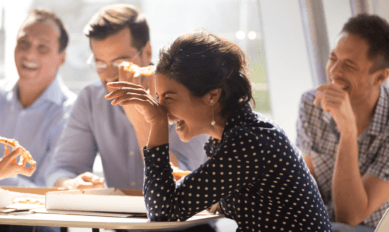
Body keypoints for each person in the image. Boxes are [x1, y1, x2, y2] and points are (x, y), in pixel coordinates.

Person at [106, 30, 333, 232]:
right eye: (158, 97)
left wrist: (155, 124)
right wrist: (187, 181)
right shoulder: (240, 135)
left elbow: (163, 211)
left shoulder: (248, 142)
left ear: (212, 96)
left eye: (169, 98)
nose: (160, 109)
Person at [46, 4, 207, 192]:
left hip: (184, 219)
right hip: (115, 218)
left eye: (120, 63)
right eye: (100, 64)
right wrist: (70, 183)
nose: (109, 76)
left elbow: (182, 184)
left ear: (147, 53)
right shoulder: (91, 99)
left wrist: (138, 116)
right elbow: (62, 168)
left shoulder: (186, 95)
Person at [296, 14, 389, 232]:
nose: (334, 72)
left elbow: (350, 215)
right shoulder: (312, 103)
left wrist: (348, 132)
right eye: (333, 58)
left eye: (349, 65)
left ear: (379, 78)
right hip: (319, 223)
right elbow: (308, 186)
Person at [0, 8, 76, 187]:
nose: (29, 54)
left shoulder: (72, 112)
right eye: (23, 43)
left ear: (61, 58)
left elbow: (47, 191)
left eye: (42, 47)